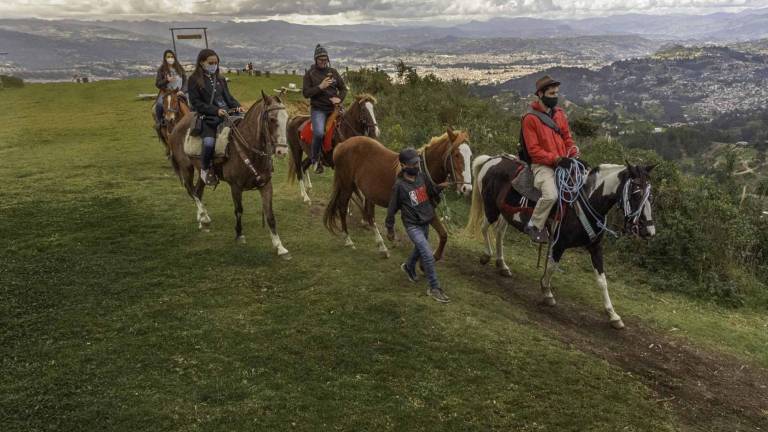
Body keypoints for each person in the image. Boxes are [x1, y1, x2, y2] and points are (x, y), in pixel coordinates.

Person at [386, 148, 450, 303]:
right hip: (412, 225)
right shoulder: (399, 186)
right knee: (427, 253)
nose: (417, 166)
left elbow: (431, 191)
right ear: (403, 165)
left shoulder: (421, 177)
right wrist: (390, 227)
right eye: (413, 164)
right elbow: (391, 208)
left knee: (419, 249)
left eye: (418, 163)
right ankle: (434, 288)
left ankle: (409, 266)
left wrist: (441, 186)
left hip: (425, 221)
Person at [520, 75, 580, 243]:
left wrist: (573, 155)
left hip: (563, 161)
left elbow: (567, 138)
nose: (555, 97)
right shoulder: (530, 119)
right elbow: (534, 151)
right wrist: (556, 159)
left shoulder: (559, 114)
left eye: (556, 93)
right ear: (540, 94)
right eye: (552, 94)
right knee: (551, 195)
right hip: (542, 166)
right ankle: (534, 225)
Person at [187, 48, 244, 185]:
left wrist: (237, 106)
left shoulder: (220, 79)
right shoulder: (193, 80)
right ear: (201, 62)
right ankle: (205, 169)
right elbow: (195, 103)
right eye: (210, 62)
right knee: (209, 143)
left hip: (227, 115)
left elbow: (228, 98)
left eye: (216, 62)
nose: (214, 65)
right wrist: (215, 110)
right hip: (208, 118)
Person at [302, 44, 347, 174]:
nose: (323, 62)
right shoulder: (310, 74)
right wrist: (320, 87)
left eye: (325, 59)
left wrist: (339, 98)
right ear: (315, 59)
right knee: (319, 133)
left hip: (335, 108)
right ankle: (315, 160)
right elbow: (306, 93)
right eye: (321, 59)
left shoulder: (333, 72)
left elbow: (343, 88)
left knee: (351, 124)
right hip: (319, 110)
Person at [154, 50, 187, 130]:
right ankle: (160, 122)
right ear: (165, 58)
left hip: (178, 92)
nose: (170, 58)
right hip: (166, 92)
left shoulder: (179, 68)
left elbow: (185, 81)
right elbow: (157, 84)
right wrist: (166, 80)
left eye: (172, 57)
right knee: (159, 105)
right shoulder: (161, 69)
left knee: (191, 103)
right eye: (168, 57)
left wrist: (182, 90)